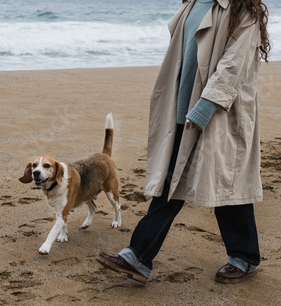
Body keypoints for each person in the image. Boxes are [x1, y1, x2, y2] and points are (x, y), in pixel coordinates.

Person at [97, 0, 271, 284]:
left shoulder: (243, 9)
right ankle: (138, 257)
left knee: (228, 182)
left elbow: (233, 65)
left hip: (216, 113)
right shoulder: (193, 2)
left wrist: (206, 105)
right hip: (182, 108)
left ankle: (244, 257)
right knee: (170, 182)